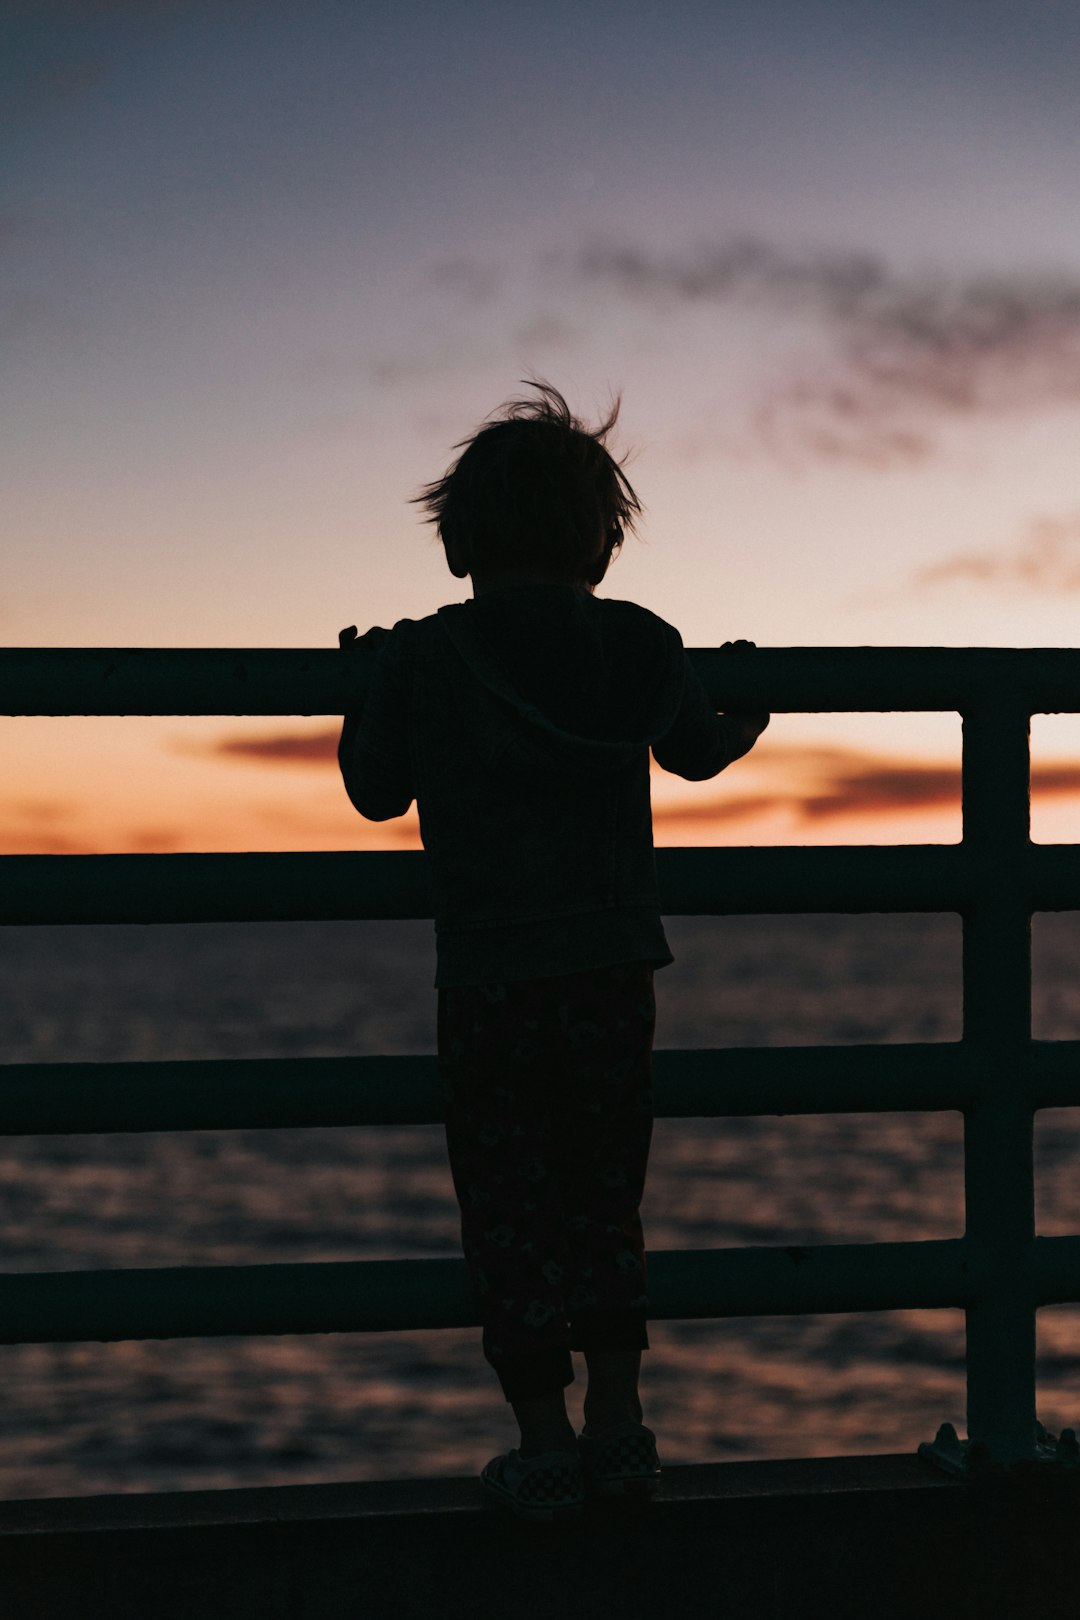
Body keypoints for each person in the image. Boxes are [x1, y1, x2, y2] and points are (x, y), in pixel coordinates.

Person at [337, 382, 769, 1521]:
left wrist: (365, 686)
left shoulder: (431, 657)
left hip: (488, 976)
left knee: (509, 1206)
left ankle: (542, 1438)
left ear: (461, 540)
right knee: (603, 1195)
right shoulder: (640, 642)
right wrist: (749, 714)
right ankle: (621, 1424)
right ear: (602, 538)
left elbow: (376, 792)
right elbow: (698, 757)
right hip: (614, 969)